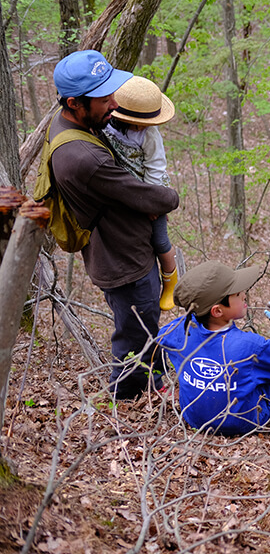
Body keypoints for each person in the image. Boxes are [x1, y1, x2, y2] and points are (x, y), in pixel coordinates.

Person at [49, 50, 179, 400]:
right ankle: (122, 403)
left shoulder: (74, 124)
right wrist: (170, 197)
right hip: (123, 262)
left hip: (125, 250)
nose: (113, 104)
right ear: (75, 103)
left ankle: (155, 381)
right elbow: (151, 197)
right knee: (133, 336)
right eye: (104, 98)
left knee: (144, 326)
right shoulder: (84, 157)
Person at [156, 261, 270, 436]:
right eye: (237, 294)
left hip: (193, 417)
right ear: (217, 311)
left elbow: (162, 336)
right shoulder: (249, 345)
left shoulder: (179, 331)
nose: (244, 295)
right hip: (241, 422)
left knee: (255, 367)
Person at [103, 76, 179, 311]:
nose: (145, 125)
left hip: (151, 190)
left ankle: (170, 281)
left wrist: (151, 205)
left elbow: (156, 169)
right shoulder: (104, 126)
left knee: (159, 239)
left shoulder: (149, 135)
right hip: (124, 190)